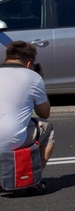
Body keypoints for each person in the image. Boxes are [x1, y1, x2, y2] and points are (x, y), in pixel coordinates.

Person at [0, 41, 54, 193]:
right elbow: (44, 113)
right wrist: (40, 78)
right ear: (29, 63)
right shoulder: (33, 77)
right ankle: (31, 180)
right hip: (11, 140)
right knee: (48, 129)